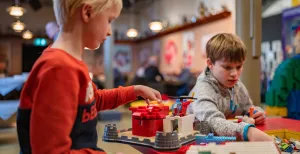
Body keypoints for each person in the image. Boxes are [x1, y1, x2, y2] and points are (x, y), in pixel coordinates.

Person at [17, 0, 162, 154]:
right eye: (109, 20)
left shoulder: (71, 62)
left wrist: (134, 91)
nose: (110, 32)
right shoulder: (59, 68)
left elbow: (93, 100)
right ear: (87, 13)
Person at [188, 33, 272, 141]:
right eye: (227, 67)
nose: (234, 74)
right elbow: (213, 122)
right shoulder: (203, 88)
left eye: (239, 66)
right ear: (210, 64)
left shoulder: (236, 84)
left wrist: (257, 113)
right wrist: (248, 131)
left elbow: (248, 109)